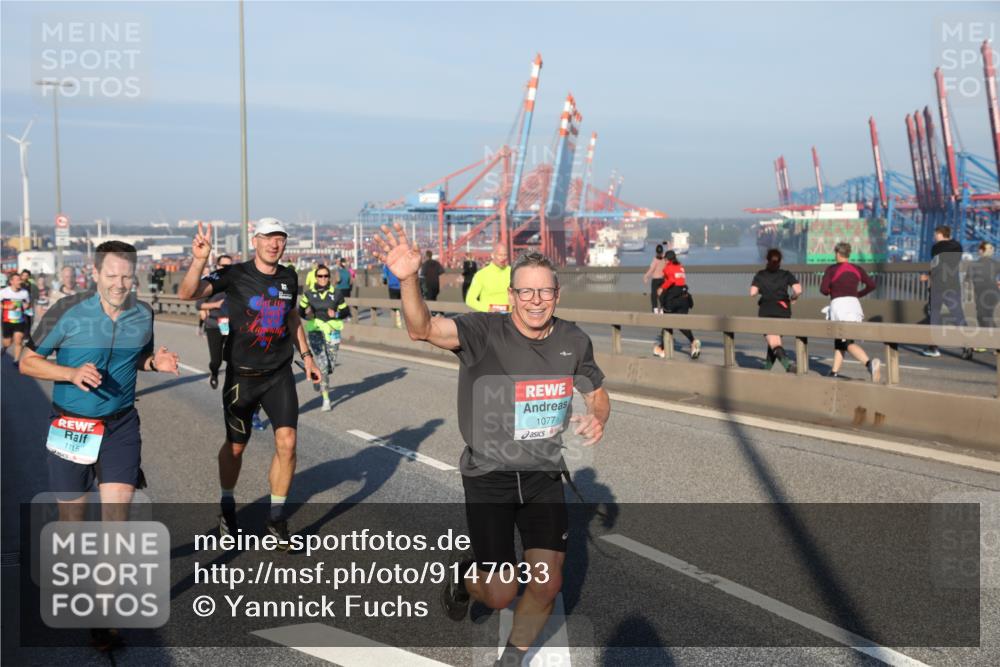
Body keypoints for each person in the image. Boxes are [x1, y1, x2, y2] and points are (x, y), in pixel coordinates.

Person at [373, 223, 609, 667]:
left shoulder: (574, 341)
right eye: (526, 292)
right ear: (512, 294)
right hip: (488, 478)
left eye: (544, 292)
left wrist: (597, 419)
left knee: (546, 582)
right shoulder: (482, 332)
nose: (535, 300)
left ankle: (511, 660)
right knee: (500, 593)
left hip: (542, 477)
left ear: (557, 295)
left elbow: (596, 393)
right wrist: (408, 280)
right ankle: (465, 581)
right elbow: (421, 329)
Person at [18, 241, 179, 651]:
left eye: (127, 275)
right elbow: (26, 361)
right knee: (73, 524)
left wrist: (154, 364)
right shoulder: (69, 310)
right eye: (112, 275)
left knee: (116, 525)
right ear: (95, 274)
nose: (120, 284)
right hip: (71, 425)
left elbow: (140, 357)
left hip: (121, 426)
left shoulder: (142, 313)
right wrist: (69, 373)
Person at [178, 219, 321, 546]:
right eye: (269, 238)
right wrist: (200, 259)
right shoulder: (235, 274)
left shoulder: (289, 276)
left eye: (280, 239)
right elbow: (187, 294)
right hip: (242, 377)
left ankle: (276, 517)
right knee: (236, 448)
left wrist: (308, 356)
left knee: (287, 443)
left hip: (279, 374)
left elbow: (292, 316)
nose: (275, 244)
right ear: (255, 241)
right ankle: (227, 505)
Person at [819, 242, 881, 381]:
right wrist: (858, 294)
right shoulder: (857, 268)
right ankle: (834, 372)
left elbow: (823, 290)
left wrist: (832, 290)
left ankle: (869, 364)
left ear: (837, 254)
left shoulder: (831, 269)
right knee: (842, 339)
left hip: (839, 306)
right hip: (854, 305)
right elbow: (871, 285)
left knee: (845, 342)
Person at [299, 264, 351, 411]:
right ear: (315, 277)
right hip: (315, 330)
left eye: (326, 276)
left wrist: (336, 315)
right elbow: (300, 311)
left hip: (333, 331)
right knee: (322, 365)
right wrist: (308, 315)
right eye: (320, 276)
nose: (323, 279)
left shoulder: (337, 293)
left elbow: (346, 312)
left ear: (329, 278)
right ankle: (326, 399)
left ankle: (319, 379)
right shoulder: (309, 294)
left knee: (330, 366)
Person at [922, 226, 973, 359]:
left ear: (940, 234)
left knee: (934, 316)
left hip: (938, 287)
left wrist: (927, 276)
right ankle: (968, 344)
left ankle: (933, 348)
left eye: (935, 234)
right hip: (953, 286)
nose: (934, 237)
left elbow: (936, 265)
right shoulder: (958, 246)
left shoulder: (936, 247)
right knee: (958, 316)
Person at [750, 248, 802, 372]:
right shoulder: (786, 274)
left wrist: (762, 289)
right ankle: (767, 368)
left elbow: (752, 292)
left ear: (767, 260)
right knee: (775, 340)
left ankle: (787, 365)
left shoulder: (761, 275)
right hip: (783, 311)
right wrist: (793, 298)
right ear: (780, 261)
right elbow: (798, 290)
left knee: (773, 341)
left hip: (766, 310)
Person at [653, 250, 701, 359]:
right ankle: (693, 342)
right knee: (681, 323)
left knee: (667, 321)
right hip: (684, 298)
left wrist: (661, 288)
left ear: (667, 260)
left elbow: (671, 280)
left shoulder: (667, 268)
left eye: (665, 260)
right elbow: (680, 280)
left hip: (673, 299)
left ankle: (663, 349)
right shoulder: (681, 267)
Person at [198, 255, 234, 389]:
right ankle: (214, 373)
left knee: (233, 357)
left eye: (229, 266)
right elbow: (199, 305)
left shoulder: (237, 282)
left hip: (230, 324)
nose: (226, 269)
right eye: (223, 266)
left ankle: (232, 385)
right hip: (214, 324)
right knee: (216, 360)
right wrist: (216, 305)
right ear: (217, 266)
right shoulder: (210, 283)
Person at [966, 241, 1000, 353]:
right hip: (994, 293)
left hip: (981, 294)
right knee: (989, 316)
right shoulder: (996, 263)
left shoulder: (974, 264)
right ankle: (994, 343)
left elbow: (967, 281)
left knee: (982, 317)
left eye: (979, 249)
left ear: (981, 250)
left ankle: (988, 344)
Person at [465, 243, 511, 312]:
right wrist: (488, 309)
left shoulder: (513, 272)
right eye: (500, 255)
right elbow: (470, 300)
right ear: (492, 255)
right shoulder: (481, 275)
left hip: (509, 317)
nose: (503, 258)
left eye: (505, 255)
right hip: (489, 318)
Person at [1, 272, 31, 360]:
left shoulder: (24, 293)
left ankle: (16, 360)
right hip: (7, 321)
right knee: (7, 342)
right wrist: (7, 306)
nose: (20, 282)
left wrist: (27, 306)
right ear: (11, 281)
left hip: (20, 321)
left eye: (20, 280)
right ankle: (4, 348)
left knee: (18, 340)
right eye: (17, 280)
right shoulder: (3, 292)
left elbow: (28, 304)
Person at [643, 244, 667, 313]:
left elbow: (651, 269)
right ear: (662, 251)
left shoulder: (655, 260)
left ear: (656, 252)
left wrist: (646, 276)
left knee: (654, 295)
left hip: (656, 280)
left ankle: (655, 309)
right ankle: (662, 309)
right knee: (662, 294)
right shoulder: (664, 259)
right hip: (662, 279)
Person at [382, 262, 403, 327]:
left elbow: (385, 275)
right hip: (400, 286)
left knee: (393, 305)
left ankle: (395, 323)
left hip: (392, 286)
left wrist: (385, 281)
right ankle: (400, 321)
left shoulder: (387, 263)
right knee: (400, 304)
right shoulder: (400, 262)